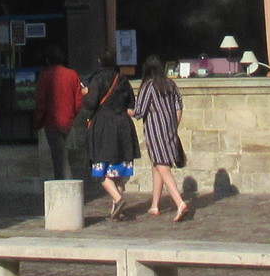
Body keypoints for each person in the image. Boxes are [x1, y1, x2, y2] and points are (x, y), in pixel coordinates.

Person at [79, 60, 141, 221]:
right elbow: (131, 103)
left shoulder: (97, 78)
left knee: (100, 169)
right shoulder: (122, 78)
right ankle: (116, 210)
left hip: (103, 125)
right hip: (123, 124)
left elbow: (90, 103)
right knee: (118, 172)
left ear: (99, 61)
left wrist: (85, 93)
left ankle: (118, 199)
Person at [133, 57, 191, 222]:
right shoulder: (171, 84)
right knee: (157, 165)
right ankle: (155, 205)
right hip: (170, 130)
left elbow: (139, 112)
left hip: (155, 131)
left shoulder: (148, 86)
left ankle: (179, 202)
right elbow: (179, 107)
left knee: (162, 166)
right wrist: (174, 126)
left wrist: (124, 110)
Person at [31, 48, 84, 182]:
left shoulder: (44, 76)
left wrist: (37, 122)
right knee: (60, 154)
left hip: (51, 121)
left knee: (59, 157)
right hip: (67, 121)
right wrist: (71, 115)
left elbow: (41, 102)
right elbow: (78, 102)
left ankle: (65, 182)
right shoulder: (72, 75)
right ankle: (63, 181)